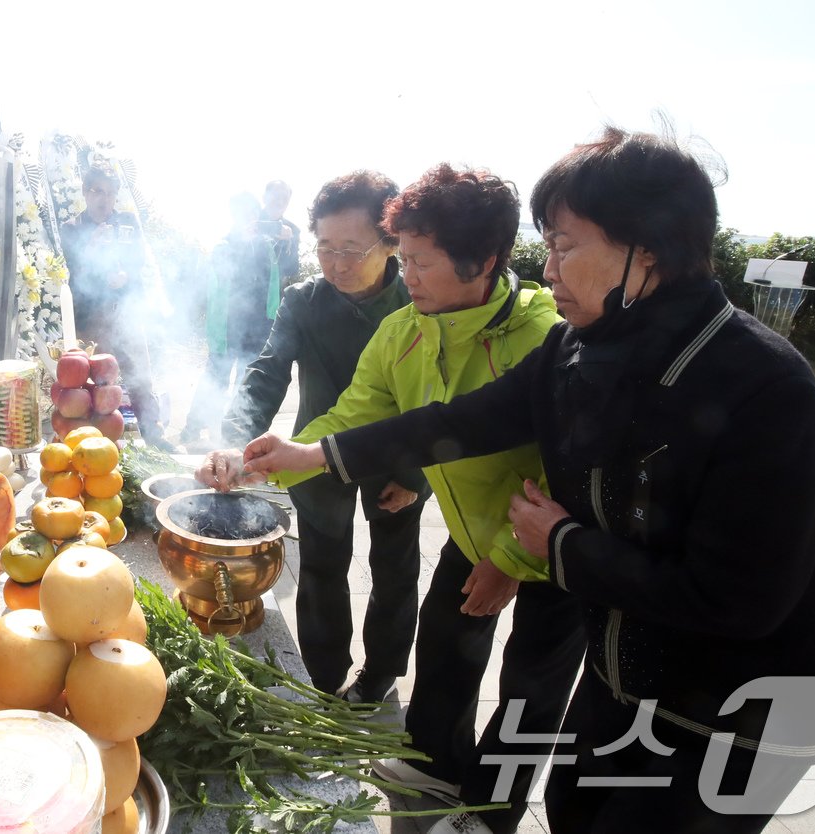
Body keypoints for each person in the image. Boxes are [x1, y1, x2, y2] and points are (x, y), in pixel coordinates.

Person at [241, 128, 815, 834]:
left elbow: (740, 603)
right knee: (572, 808)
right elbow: (461, 421)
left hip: (745, 704)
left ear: (646, 247)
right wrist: (316, 454)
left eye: (565, 245)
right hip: (625, 669)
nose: (549, 270)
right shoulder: (578, 348)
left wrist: (559, 544)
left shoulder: (762, 385)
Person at [203, 164, 581, 834]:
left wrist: (510, 558)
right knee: (444, 663)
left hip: (548, 545)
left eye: (418, 261)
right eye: (401, 258)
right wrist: (280, 460)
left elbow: (568, 464)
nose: (404, 274)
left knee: (530, 685)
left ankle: (490, 815)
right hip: (471, 537)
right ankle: (433, 785)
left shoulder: (543, 338)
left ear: (483, 260)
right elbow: (354, 413)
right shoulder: (404, 327)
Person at [198, 171, 430, 701]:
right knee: (323, 568)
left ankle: (382, 673)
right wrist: (236, 440)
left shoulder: (418, 301)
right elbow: (267, 370)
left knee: (394, 567)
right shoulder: (304, 301)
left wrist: (416, 475)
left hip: (397, 456)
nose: (338, 265)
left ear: (390, 240)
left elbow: (436, 397)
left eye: (354, 248)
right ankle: (323, 678)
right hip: (314, 455)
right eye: (325, 248)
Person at [58, 163, 167, 446]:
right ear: (85, 192)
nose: (104, 199)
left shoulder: (128, 222)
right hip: (91, 319)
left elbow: (138, 260)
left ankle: (155, 436)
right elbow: (69, 272)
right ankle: (94, 443)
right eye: (97, 192)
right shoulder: (71, 228)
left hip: (126, 312)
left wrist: (125, 276)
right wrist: (90, 250)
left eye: (110, 193)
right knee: (95, 384)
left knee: (140, 374)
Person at [182, 193, 283, 447]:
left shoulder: (267, 245)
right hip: (229, 327)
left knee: (246, 382)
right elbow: (217, 272)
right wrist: (240, 244)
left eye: (251, 213)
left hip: (258, 325)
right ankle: (192, 428)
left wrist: (287, 241)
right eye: (242, 213)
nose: (247, 218)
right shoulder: (225, 245)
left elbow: (283, 273)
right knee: (215, 376)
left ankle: (236, 436)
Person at [260, 179, 301, 289]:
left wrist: (289, 243)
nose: (280, 202)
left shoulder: (293, 230)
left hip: (274, 296)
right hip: (242, 293)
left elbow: (292, 270)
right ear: (264, 197)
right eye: (276, 196)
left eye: (285, 198)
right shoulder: (250, 219)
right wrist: (270, 229)